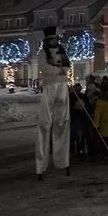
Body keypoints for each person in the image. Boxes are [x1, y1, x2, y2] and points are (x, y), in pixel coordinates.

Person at [35, 27, 72, 181]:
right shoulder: (42, 53)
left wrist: (63, 70)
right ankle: (40, 166)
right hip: (49, 87)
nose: (54, 41)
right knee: (45, 124)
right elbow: (44, 67)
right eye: (51, 39)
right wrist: (58, 71)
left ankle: (63, 161)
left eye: (55, 39)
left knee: (62, 123)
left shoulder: (63, 51)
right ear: (47, 40)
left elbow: (67, 65)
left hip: (62, 87)